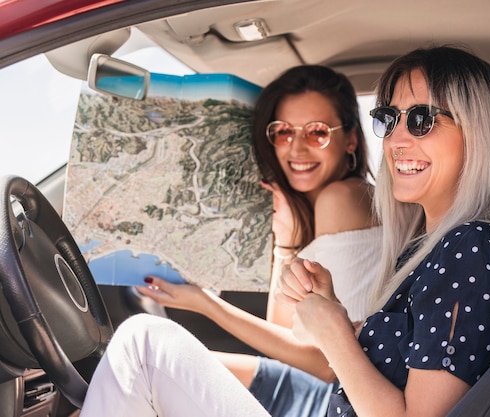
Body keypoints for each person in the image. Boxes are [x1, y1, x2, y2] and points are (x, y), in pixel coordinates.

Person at [80, 45, 490, 417]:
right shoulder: (435, 248)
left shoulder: (475, 249)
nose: (399, 138)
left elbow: (347, 374)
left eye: (422, 119)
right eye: (389, 119)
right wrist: (332, 312)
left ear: (480, 133)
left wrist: (334, 332)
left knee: (143, 345)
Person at [133, 65, 382, 415]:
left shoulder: (341, 200)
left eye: (317, 133)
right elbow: (288, 340)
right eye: (283, 132)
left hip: (338, 401)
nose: (296, 148)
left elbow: (329, 364)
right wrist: (287, 244)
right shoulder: (316, 209)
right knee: (144, 368)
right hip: (322, 391)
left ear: (351, 139)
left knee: (143, 366)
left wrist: (206, 305)